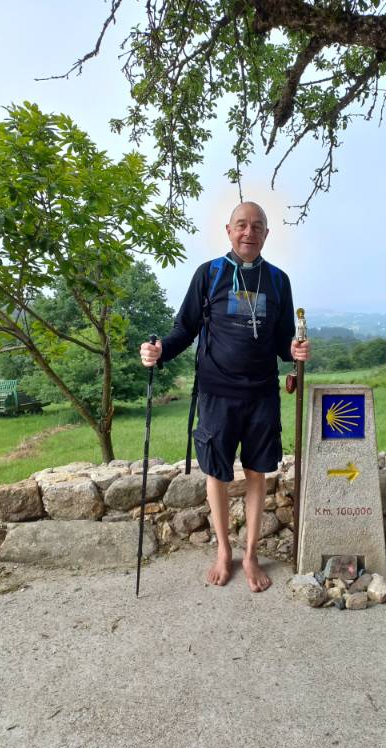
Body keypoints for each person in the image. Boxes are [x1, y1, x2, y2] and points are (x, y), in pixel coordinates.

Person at [140, 202, 310, 592]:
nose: (248, 232)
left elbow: (285, 342)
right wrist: (159, 350)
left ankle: (250, 554)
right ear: (228, 230)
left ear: (267, 234)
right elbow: (184, 330)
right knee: (216, 472)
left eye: (257, 226)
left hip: (262, 395)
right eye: (241, 225)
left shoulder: (279, 280)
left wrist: (296, 349)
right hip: (216, 394)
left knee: (257, 473)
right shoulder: (210, 274)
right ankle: (223, 551)